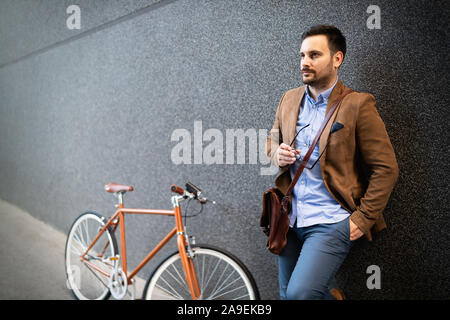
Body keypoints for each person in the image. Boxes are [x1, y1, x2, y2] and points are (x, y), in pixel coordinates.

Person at [266, 25, 399, 300]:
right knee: (286, 295)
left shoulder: (358, 104)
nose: (305, 62)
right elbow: (272, 140)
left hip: (330, 221)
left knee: (300, 295)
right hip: (289, 219)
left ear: (337, 59)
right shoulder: (289, 99)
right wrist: (275, 154)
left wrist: (362, 220)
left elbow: (386, 168)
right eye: (302, 55)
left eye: (314, 55)